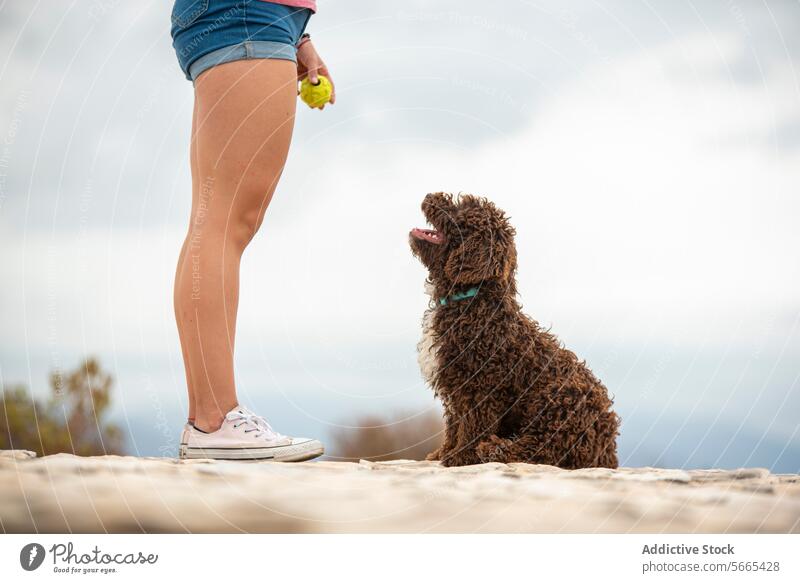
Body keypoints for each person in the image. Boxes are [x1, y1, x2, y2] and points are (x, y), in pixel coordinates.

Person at [170, 0, 333, 461]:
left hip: (251, 16)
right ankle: (215, 421)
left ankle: (210, 420)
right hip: (245, 13)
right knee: (225, 220)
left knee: (217, 217)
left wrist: (297, 35)